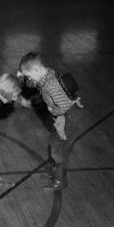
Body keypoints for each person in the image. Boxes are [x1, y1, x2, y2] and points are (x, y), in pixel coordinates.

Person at [18, 52, 83, 191]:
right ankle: (56, 174)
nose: (28, 79)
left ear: (36, 69)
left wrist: (52, 110)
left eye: (28, 75)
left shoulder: (50, 85)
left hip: (67, 118)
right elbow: (39, 86)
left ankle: (60, 180)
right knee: (55, 147)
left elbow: (65, 105)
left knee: (57, 150)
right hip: (64, 118)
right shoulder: (47, 73)